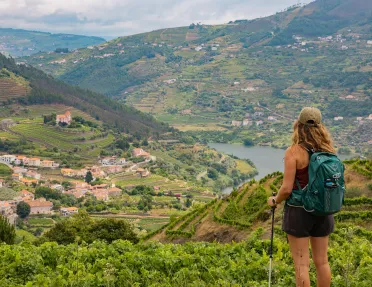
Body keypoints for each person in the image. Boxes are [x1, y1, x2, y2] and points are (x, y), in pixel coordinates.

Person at [267, 107, 336, 287]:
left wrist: (274, 200)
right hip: (324, 210)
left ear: (298, 125)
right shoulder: (329, 150)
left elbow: (287, 189)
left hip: (299, 212)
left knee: (301, 265)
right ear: (321, 127)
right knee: (322, 262)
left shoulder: (294, 152)